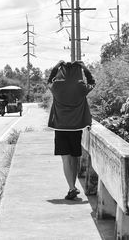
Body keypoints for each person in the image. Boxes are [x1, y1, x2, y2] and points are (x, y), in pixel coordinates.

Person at [48, 60, 95, 200]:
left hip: (60, 127)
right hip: (76, 127)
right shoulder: (81, 87)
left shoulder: (56, 86)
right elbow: (92, 82)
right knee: (74, 158)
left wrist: (57, 66)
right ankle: (72, 187)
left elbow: (49, 80)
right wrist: (84, 68)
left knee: (66, 159)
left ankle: (72, 187)